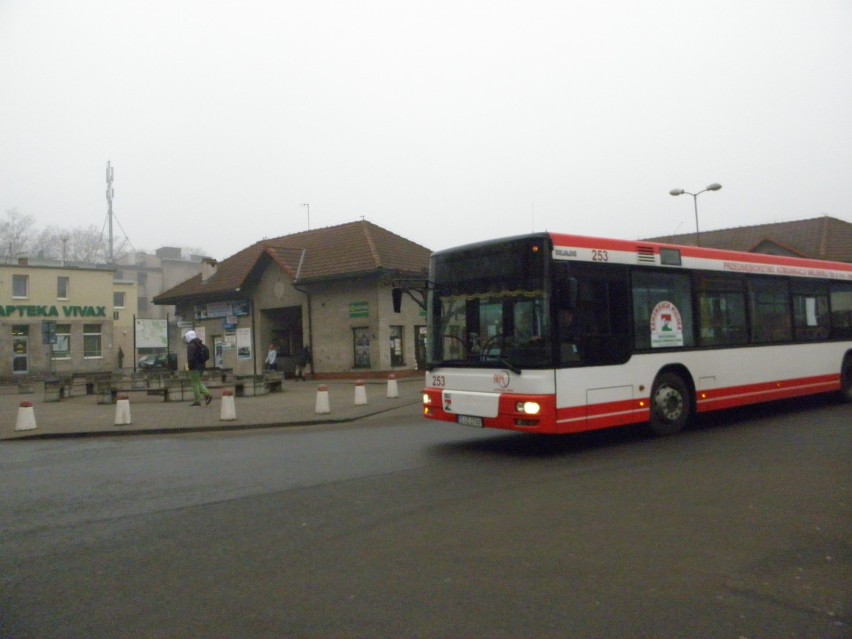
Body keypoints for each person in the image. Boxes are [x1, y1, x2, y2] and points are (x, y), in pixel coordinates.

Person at [184, 330, 213, 406]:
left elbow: (190, 358)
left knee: (195, 383)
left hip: (194, 367)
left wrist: (189, 367)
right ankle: (207, 395)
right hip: (202, 366)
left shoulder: (191, 345)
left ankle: (198, 400)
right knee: (198, 382)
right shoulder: (199, 343)